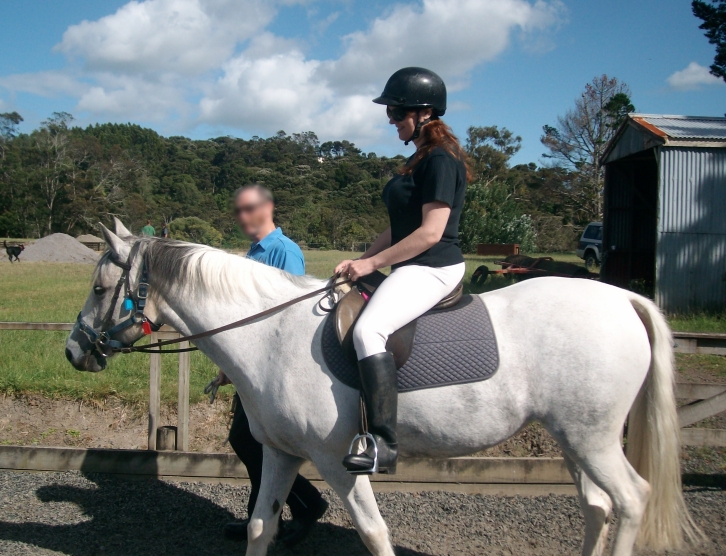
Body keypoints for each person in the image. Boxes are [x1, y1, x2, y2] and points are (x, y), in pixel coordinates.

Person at [335, 67, 471, 475]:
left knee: (367, 330)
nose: (390, 119)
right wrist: (360, 259)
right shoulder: (418, 160)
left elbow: (430, 233)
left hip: (434, 266)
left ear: (423, 112)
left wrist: (374, 264)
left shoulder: (441, 162)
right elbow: (400, 225)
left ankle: (384, 443)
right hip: (411, 264)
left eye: (395, 112)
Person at [206, 184, 327, 546]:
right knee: (251, 441)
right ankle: (262, 518)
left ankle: (305, 505)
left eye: (249, 209)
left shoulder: (284, 252)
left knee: (249, 440)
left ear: (267, 208)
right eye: (238, 210)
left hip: (272, 372)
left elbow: (290, 315)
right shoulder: (255, 252)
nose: (242, 217)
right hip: (251, 368)